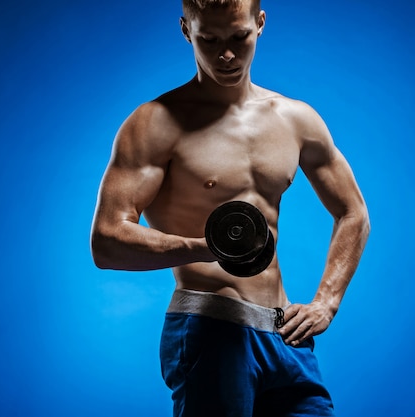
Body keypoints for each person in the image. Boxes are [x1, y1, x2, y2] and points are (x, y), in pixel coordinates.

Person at [90, 0, 370, 415]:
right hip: (211, 327)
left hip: (285, 337)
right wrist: (208, 248)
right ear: (187, 30)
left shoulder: (296, 119)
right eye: (210, 39)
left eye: (239, 38)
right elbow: (107, 241)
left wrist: (325, 302)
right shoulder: (155, 123)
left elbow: (353, 212)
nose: (226, 54)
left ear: (260, 24)